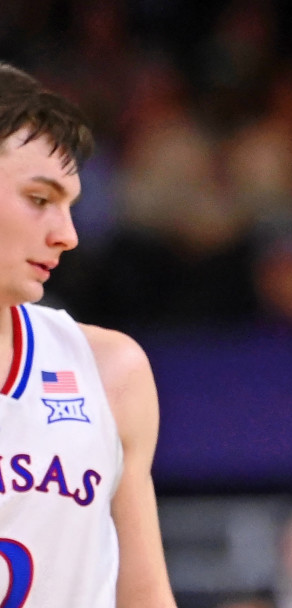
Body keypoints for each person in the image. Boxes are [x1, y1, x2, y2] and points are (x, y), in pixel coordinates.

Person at [0, 64, 176, 606]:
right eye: (39, 198)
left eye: (70, 205)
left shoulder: (110, 370)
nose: (67, 235)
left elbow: (144, 596)